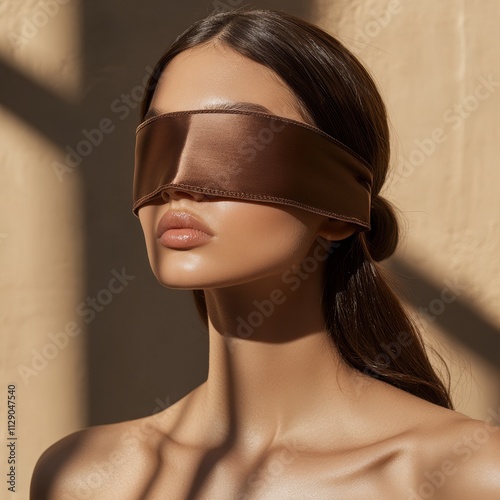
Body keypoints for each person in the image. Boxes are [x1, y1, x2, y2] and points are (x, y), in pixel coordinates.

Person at [31, 8, 500, 500]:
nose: (176, 185)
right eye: (159, 144)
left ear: (338, 208)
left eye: (234, 143)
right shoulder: (83, 478)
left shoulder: (465, 475)